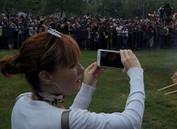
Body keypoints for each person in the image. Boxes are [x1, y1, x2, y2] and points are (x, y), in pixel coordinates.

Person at [0, 29, 145, 129]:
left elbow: (65, 121)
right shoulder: (67, 119)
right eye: (72, 65)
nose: (81, 69)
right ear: (46, 77)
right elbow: (132, 122)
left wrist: (88, 86)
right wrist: (136, 73)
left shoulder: (21, 101)